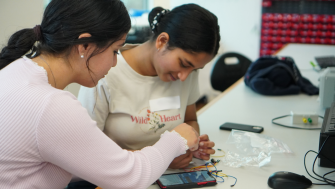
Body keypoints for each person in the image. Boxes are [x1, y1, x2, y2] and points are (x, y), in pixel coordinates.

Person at [0, 0, 200, 189]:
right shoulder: (52, 106)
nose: (115, 62)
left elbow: (76, 160)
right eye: (115, 50)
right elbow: (131, 178)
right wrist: (176, 140)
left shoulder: (17, 68)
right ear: (85, 45)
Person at [78, 3, 221, 170]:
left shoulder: (186, 74)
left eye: (195, 69)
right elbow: (87, 150)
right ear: (162, 41)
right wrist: (162, 157)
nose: (185, 77)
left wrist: (192, 144)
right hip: (114, 175)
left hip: (166, 175)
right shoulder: (106, 73)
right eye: (183, 63)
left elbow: (190, 120)